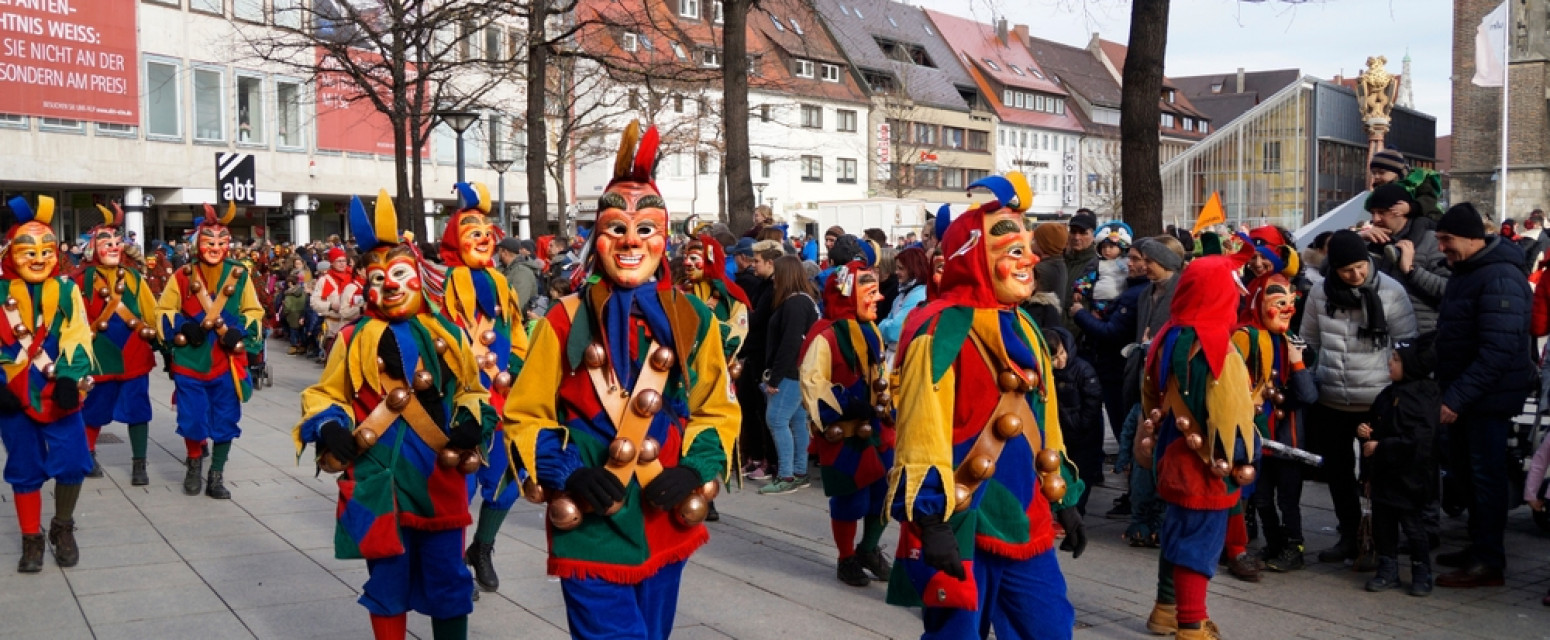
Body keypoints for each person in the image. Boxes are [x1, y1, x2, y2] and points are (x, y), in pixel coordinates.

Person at [504, 122, 738, 639]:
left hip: (663, 512)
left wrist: (696, 468)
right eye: (616, 227)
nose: (631, 240)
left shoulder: (694, 317)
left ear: (664, 236)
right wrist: (565, 471)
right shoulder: (562, 319)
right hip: (590, 513)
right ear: (597, 237)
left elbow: (716, 408)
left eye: (646, 228)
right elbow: (525, 412)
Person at [886, 173, 1086, 640]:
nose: (1031, 260)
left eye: (1029, 248)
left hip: (1023, 515)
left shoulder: (1026, 327)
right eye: (1015, 251)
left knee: (1050, 628)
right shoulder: (938, 330)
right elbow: (920, 429)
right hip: (960, 518)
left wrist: (1064, 497)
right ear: (975, 255)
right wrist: (930, 518)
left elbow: (1044, 422)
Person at [295, 192, 495, 640]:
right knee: (386, 582)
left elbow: (471, 389)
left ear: (419, 278)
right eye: (378, 277)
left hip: (438, 479)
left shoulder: (445, 332)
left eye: (400, 274)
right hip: (378, 479)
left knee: (448, 581)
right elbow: (327, 393)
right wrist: (329, 424)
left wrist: (471, 420)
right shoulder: (351, 339)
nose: (389, 285)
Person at [1136, 254, 1260, 639]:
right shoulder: (1218, 345)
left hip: (1170, 450)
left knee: (1176, 531)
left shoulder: (1167, 334)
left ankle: (1165, 610)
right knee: (1199, 540)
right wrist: (1243, 460)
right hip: (1206, 461)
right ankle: (1192, 625)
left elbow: (1148, 397)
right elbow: (1231, 421)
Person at [1431, 204, 1535, 589]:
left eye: (1447, 240)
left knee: (1484, 478)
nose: (1442, 248)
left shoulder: (1500, 277)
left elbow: (1498, 349)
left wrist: (1457, 397)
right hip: (1469, 394)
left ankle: (1488, 560)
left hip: (1486, 399)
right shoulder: (1470, 271)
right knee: (1469, 477)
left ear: (1472, 238)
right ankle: (1478, 547)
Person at [433, 182, 530, 594]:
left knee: (508, 482)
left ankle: (483, 548)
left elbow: (518, 333)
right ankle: (454, 564)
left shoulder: (502, 283)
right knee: (459, 487)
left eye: (486, 228)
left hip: (504, 400)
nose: (482, 234)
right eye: (470, 227)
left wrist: (521, 370)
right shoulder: (440, 284)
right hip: (460, 405)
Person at [1300, 230, 1417, 566]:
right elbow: (1310, 342)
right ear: (1332, 268)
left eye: (1360, 267)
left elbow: (1405, 344)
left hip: (1376, 398)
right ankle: (1349, 534)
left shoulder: (1391, 292)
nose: (1355, 275)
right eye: (1346, 270)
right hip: (1332, 396)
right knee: (1337, 472)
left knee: (1376, 473)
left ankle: (1380, 541)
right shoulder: (1321, 293)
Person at [0, 196, 94, 573]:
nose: (38, 258)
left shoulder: (68, 289)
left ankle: (61, 527)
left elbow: (77, 334)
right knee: (24, 466)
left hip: (59, 387)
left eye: (46, 250)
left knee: (73, 460)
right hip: (12, 391)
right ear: (10, 253)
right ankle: (30, 538)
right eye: (28, 250)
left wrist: (71, 377)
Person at [156, 203, 264, 500]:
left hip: (226, 362)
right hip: (191, 359)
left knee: (225, 418)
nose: (215, 247)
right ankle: (194, 465)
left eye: (221, 242)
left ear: (228, 243)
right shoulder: (182, 275)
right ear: (197, 243)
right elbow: (163, 308)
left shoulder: (239, 274)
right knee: (192, 418)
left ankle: (216, 474)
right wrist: (180, 325)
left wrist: (239, 330)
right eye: (208, 241)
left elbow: (254, 310)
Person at [798, 254, 893, 587]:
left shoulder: (872, 332)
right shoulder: (823, 336)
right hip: (845, 433)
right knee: (850, 498)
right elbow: (812, 383)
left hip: (879, 429)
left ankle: (868, 549)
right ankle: (845, 558)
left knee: (884, 493)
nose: (879, 298)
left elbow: (880, 372)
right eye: (870, 294)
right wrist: (847, 405)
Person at [1233, 270, 1318, 575]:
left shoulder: (1296, 345)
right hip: (1257, 434)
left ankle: (1294, 547)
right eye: (1276, 302)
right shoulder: (1246, 338)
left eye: (1289, 303)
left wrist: (1297, 362)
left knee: (1288, 498)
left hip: (1288, 438)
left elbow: (1308, 394)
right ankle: (1273, 542)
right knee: (1262, 497)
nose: (1285, 310)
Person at [72, 203, 160, 485]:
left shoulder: (134, 277)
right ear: (91, 248)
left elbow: (150, 312)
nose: (112, 247)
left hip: (134, 353)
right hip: (99, 356)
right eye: (105, 242)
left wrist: (160, 338)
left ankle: (139, 463)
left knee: (138, 410)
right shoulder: (80, 280)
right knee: (93, 409)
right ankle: (87, 454)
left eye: (117, 242)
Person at [1356, 335, 1439, 596]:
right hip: (1384, 476)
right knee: (1384, 525)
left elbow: (1419, 440)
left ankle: (1421, 571)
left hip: (1410, 477)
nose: (1390, 364)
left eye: (1396, 359)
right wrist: (1365, 431)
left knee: (1413, 527)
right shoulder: (1388, 394)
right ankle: (1387, 569)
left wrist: (1382, 447)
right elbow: (1376, 421)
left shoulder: (1424, 396)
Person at [761, 255, 821, 495]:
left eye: (777, 274)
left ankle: (786, 474)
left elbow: (790, 344)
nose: (774, 279)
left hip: (791, 372)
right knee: (796, 421)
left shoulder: (795, 303)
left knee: (776, 419)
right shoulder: (804, 300)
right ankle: (798, 471)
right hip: (799, 370)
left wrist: (774, 379)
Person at [1361, 183, 1450, 335]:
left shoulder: (1431, 241)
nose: (1375, 219)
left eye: (1382, 212)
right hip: (1379, 338)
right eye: (1373, 213)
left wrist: (1411, 271)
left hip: (1421, 336)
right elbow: (1327, 269)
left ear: (1402, 211)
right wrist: (1357, 241)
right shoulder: (1370, 242)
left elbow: (1449, 289)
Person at [1045, 327, 1104, 516]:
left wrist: (1081, 425)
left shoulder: (1082, 369)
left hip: (1083, 435)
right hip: (1061, 433)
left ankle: (1076, 512)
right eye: (1054, 358)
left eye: (1062, 353)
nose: (1060, 360)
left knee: (1081, 473)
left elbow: (1093, 402)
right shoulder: (1047, 373)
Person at [737, 240, 782, 481]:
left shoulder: (772, 289)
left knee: (763, 410)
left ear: (770, 263)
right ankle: (755, 455)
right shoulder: (763, 285)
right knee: (749, 404)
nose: (753, 265)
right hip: (754, 352)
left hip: (763, 355)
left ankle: (769, 460)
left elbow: (757, 319)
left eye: (757, 261)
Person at [310, 247, 364, 359]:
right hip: (333, 326)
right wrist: (330, 305)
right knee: (333, 359)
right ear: (332, 262)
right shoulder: (325, 280)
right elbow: (314, 302)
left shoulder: (354, 277)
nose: (342, 264)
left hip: (352, 324)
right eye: (338, 261)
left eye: (344, 260)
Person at [878, 247, 929, 359]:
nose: (896, 272)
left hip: (904, 356)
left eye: (901, 269)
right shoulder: (903, 293)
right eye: (897, 268)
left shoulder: (919, 294)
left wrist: (884, 325)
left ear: (913, 270)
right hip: (893, 355)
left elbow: (895, 331)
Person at [497, 237, 540, 309]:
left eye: (499, 251)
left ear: (505, 252)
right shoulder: (506, 268)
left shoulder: (522, 272)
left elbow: (518, 303)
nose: (497, 253)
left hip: (517, 318)